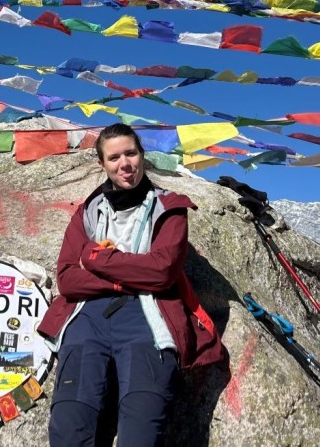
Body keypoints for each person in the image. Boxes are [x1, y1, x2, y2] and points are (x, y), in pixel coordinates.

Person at [38, 123, 225, 447]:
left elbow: (162, 271)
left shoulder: (170, 208)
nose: (124, 164)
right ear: (102, 164)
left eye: (131, 153)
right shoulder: (88, 213)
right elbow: (68, 278)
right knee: (68, 430)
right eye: (114, 157)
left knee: (141, 434)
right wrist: (125, 277)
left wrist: (97, 260)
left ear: (141, 155)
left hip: (148, 324)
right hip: (86, 322)